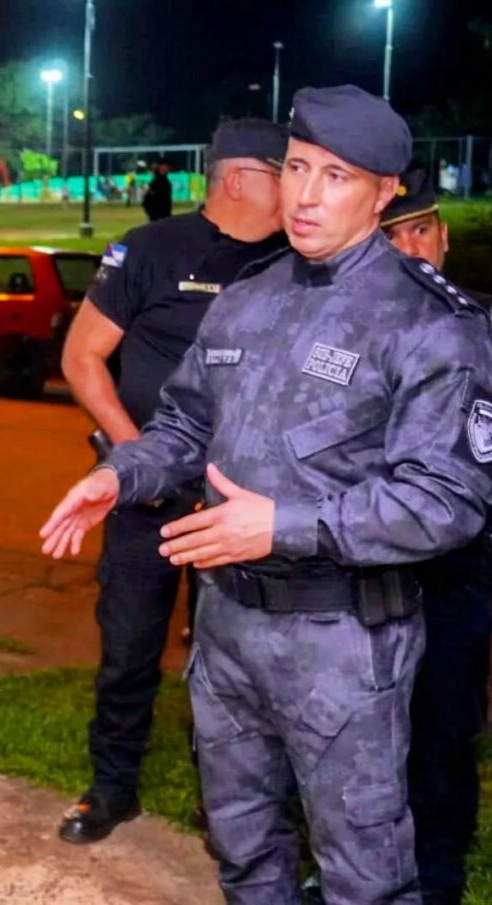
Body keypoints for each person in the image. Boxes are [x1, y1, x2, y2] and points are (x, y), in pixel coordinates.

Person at [41, 85, 492, 903]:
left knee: (365, 877)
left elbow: (445, 501)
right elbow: (182, 425)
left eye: (337, 177)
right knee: (245, 853)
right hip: (228, 632)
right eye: (297, 168)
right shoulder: (248, 299)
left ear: (386, 192)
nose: (307, 195)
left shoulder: (429, 324)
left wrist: (282, 524)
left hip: (345, 641)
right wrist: (121, 473)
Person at [57, 119, 288, 844]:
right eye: (289, 172)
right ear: (241, 178)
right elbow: (81, 356)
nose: (302, 188)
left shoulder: (296, 260)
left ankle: (227, 805)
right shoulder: (153, 250)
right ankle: (112, 788)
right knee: (129, 649)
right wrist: (135, 460)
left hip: (243, 512)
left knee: (232, 668)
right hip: (149, 502)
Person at [381, 169, 492, 905]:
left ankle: (440, 874)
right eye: (393, 236)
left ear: (444, 237)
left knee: (446, 726)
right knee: (369, 733)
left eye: (422, 228)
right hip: (374, 567)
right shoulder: (359, 334)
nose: (412, 247)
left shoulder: (484, 325)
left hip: (461, 570)